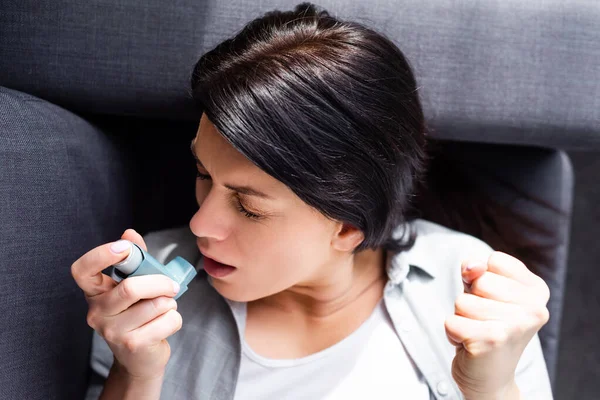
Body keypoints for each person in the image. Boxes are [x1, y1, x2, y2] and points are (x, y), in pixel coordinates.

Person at [72, 3, 553, 399]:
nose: (200, 224)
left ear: (346, 227)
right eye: (203, 174)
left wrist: (492, 389)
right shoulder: (140, 302)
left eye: (249, 207)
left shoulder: (472, 291)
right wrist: (135, 375)